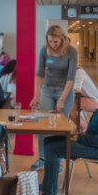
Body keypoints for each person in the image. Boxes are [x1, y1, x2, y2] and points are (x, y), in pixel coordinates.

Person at [30, 26, 78, 172]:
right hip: (48, 88)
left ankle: (59, 161)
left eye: (56, 42)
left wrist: (62, 99)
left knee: (60, 126)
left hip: (65, 89)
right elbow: (39, 74)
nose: (53, 45)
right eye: (50, 41)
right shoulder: (45, 50)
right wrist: (37, 94)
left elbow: (71, 79)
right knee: (43, 123)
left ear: (62, 39)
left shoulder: (71, 52)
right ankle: (43, 157)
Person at [39, 110, 98, 195]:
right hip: (88, 140)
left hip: (95, 148)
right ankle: (48, 183)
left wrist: (80, 139)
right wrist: (80, 135)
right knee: (49, 141)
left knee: (52, 149)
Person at [69, 67, 98, 131]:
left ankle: (84, 128)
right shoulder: (73, 73)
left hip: (94, 100)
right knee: (67, 105)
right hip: (85, 98)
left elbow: (76, 89)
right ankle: (80, 125)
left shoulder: (79, 72)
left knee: (67, 108)